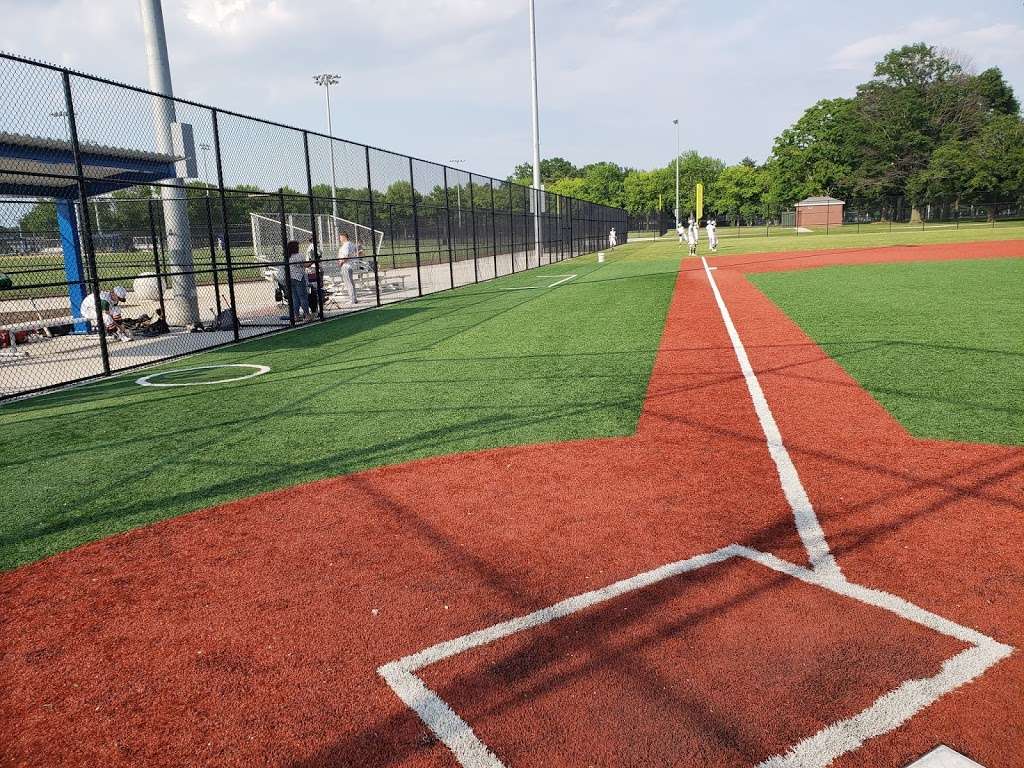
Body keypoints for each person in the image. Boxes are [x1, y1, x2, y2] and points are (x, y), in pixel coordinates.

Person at [285, 240, 311, 321]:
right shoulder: (299, 255)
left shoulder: (288, 256)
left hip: (290, 278)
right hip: (299, 278)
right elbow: (305, 265)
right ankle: (307, 315)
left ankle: (296, 316)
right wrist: (312, 261)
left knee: (295, 298)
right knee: (302, 297)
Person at [337, 232, 359, 305]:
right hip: (350, 265)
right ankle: (354, 298)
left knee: (348, 283)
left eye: (340, 237)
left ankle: (352, 299)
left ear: (344, 237)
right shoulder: (351, 244)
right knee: (351, 283)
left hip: (346, 265)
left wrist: (341, 262)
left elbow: (346, 255)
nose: (340, 239)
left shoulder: (346, 245)